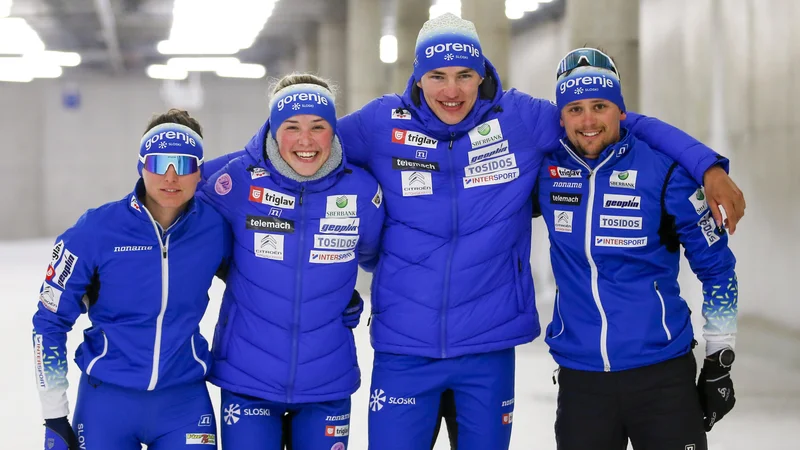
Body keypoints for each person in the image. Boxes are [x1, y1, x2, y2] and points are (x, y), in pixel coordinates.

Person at [334, 14, 745, 449]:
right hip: (412, 342)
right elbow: (309, 149)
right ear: (417, 79)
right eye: (436, 76)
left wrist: (705, 164)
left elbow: (611, 123)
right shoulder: (381, 124)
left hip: (502, 344)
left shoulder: (520, 119)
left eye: (463, 75)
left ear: (482, 74)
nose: (451, 91)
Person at [535, 48, 738, 450]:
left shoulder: (666, 173)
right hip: (582, 382)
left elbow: (718, 270)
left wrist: (719, 360)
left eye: (600, 106)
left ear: (621, 111)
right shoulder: (545, 172)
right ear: (561, 117)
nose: (589, 120)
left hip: (662, 379)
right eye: (574, 109)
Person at [198, 73, 384, 450]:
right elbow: (173, 210)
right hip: (247, 376)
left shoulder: (361, 190)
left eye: (318, 127)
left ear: (333, 130)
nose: (305, 140)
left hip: (326, 379)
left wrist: (340, 291)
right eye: (292, 127)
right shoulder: (234, 178)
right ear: (272, 128)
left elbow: (374, 255)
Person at [32, 109, 231, 449]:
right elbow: (49, 321)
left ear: (199, 172)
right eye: (159, 163)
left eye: (183, 165)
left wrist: (335, 294)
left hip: (183, 402)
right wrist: (54, 415)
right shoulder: (95, 230)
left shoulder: (215, 230)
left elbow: (262, 283)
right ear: (142, 166)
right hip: (106, 403)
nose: (171, 176)